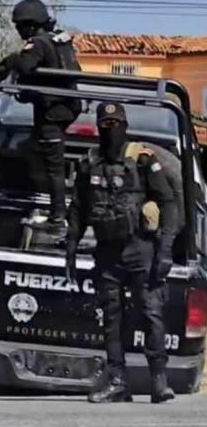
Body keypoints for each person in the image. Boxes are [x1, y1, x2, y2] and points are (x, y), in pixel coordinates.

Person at [66, 102, 179, 404]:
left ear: (125, 126)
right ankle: (117, 382)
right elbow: (77, 207)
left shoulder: (142, 160)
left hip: (141, 249)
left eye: (115, 124)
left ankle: (159, 382)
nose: (110, 129)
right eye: (105, 124)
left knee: (150, 313)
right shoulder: (89, 162)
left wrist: (166, 249)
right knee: (111, 317)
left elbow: (168, 203)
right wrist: (71, 248)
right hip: (107, 253)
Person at [0, 0, 81, 226]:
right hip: (63, 106)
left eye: (20, 27)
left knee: (54, 166)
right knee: (34, 152)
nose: (19, 31)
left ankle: (58, 213)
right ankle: (41, 199)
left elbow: (26, 65)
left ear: (30, 24)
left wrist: (10, 61)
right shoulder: (60, 39)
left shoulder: (38, 43)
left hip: (52, 111)